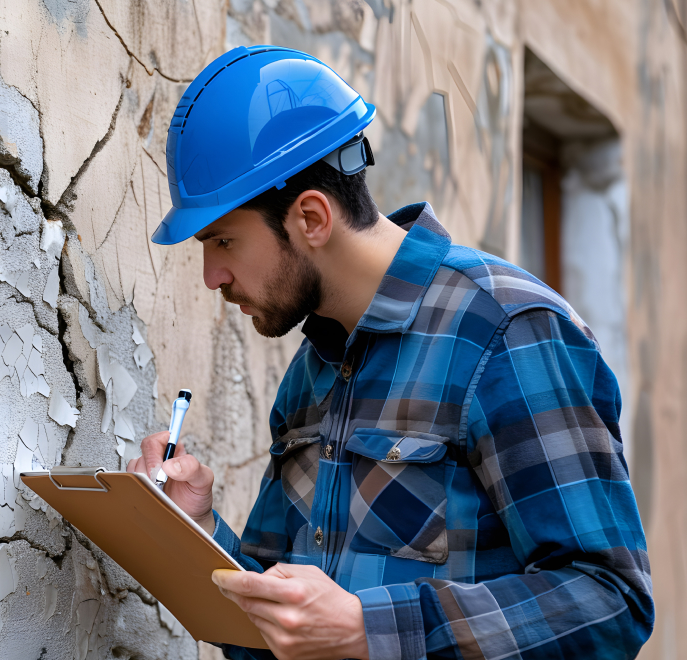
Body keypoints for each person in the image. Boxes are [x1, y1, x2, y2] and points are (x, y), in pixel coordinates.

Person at [127, 46, 653, 659]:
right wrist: (198, 530)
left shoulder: (505, 329)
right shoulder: (313, 367)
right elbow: (276, 628)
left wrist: (365, 629)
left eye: (223, 240)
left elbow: (609, 600)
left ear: (312, 218)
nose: (211, 275)